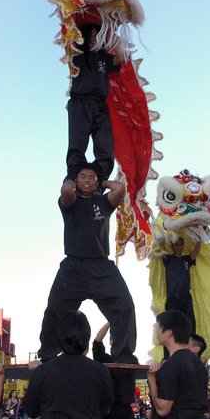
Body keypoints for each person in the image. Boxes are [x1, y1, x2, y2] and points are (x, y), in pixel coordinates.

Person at [37, 165, 137, 364]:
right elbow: (66, 191)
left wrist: (102, 182)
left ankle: (123, 355)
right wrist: (71, 180)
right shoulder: (70, 202)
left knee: (124, 306)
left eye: (91, 177)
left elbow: (120, 189)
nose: (87, 180)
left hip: (102, 267)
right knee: (54, 310)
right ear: (75, 181)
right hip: (73, 268)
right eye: (83, 176)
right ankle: (48, 355)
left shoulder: (103, 202)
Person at [65, 21, 124, 185]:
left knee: (105, 146)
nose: (93, 42)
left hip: (100, 104)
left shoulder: (103, 57)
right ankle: (73, 178)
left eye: (96, 38)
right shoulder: (76, 53)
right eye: (90, 38)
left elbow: (120, 58)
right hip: (79, 102)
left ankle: (100, 181)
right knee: (77, 144)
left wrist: (115, 40)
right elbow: (68, 35)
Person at [161, 236, 201, 336]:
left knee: (190, 325)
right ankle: (171, 351)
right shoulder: (168, 259)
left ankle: (190, 349)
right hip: (172, 299)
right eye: (176, 245)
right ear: (172, 246)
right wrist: (159, 231)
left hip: (186, 298)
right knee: (170, 327)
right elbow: (160, 244)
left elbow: (197, 249)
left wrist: (200, 233)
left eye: (181, 245)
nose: (179, 247)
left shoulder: (187, 260)